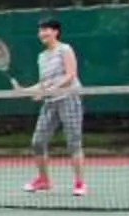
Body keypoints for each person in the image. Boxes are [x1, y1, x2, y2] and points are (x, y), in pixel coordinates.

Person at [23, 17, 88, 197]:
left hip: (69, 99)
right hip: (50, 103)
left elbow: (70, 75)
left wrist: (49, 90)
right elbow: (44, 83)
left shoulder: (65, 49)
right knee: (37, 142)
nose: (42, 33)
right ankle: (44, 180)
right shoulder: (42, 57)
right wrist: (25, 90)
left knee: (73, 142)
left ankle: (80, 183)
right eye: (40, 30)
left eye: (46, 29)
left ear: (55, 32)